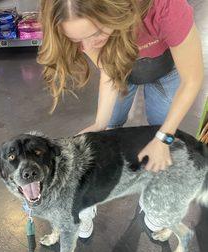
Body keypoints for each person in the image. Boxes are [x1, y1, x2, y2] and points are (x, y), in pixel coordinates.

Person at [37, 0, 204, 238]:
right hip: (121, 66)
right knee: (103, 136)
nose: (87, 45)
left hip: (168, 69)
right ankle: (82, 210)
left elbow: (192, 79)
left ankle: (157, 205)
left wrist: (163, 137)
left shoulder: (165, 7)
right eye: (77, 41)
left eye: (95, 33)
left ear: (112, 9)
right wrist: (100, 124)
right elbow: (109, 69)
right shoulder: (81, 28)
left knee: (160, 140)